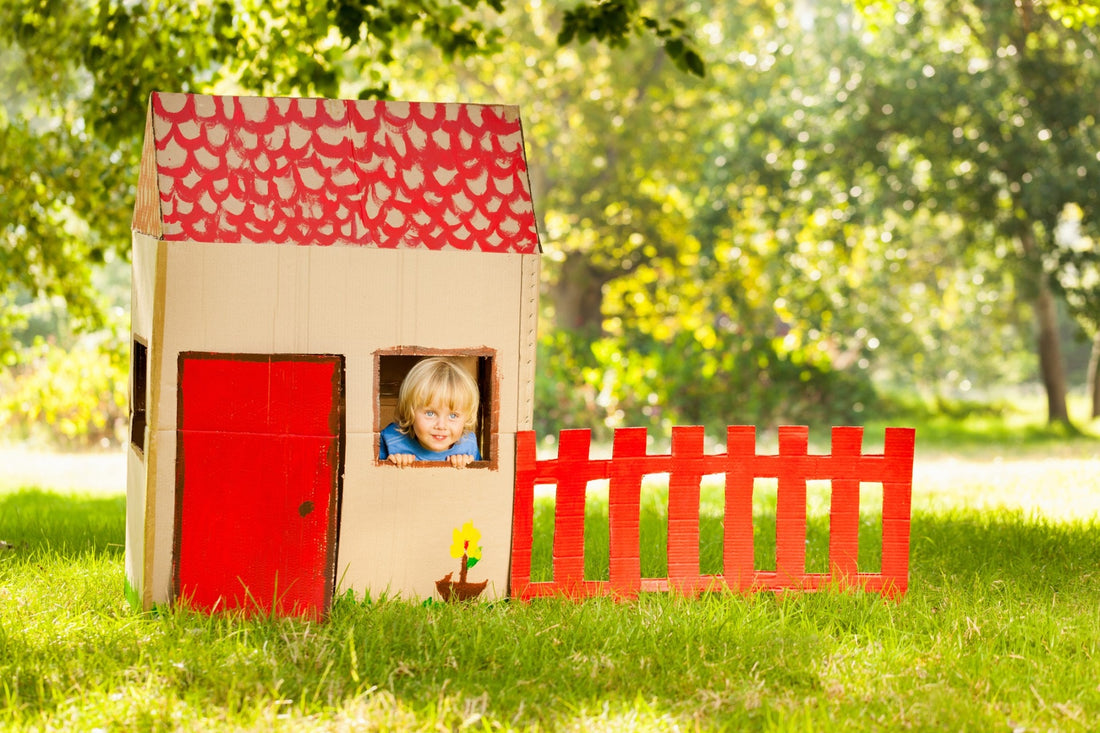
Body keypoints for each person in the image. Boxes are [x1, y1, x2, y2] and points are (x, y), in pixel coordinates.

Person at [379, 357, 482, 468]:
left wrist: (467, 465)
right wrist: (390, 464)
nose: (441, 426)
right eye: (430, 413)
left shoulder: (467, 445)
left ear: (466, 418)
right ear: (410, 411)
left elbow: (483, 480)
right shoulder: (392, 439)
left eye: (453, 415)